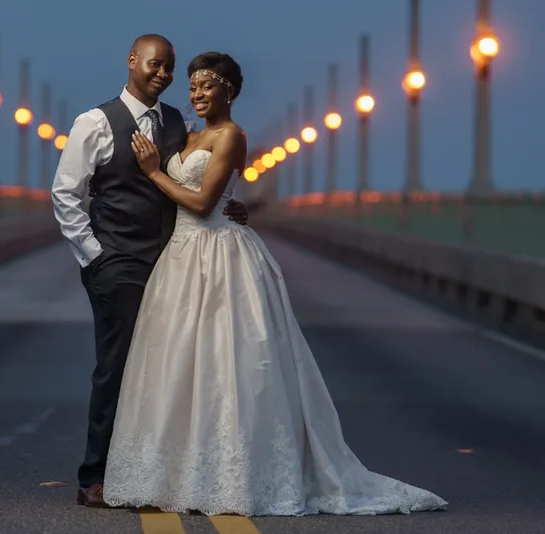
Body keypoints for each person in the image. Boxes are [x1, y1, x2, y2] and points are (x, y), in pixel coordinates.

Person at [101, 51, 449, 517]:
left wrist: (154, 172)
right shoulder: (188, 135)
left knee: (231, 365)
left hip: (220, 256)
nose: (198, 94)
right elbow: (201, 199)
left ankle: (234, 473)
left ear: (230, 91)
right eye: (193, 87)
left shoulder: (232, 136)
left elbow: (204, 203)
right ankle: (177, 474)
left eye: (208, 86)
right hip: (180, 258)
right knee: (178, 366)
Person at [51, 34, 249, 508]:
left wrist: (228, 205)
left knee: (162, 371)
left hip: (171, 262)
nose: (162, 75)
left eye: (169, 70)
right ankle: (93, 478)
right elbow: (65, 193)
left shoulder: (177, 122)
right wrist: (94, 255)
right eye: (155, 65)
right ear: (132, 61)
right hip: (115, 262)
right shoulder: (95, 121)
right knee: (116, 369)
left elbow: (194, 179)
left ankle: (153, 473)